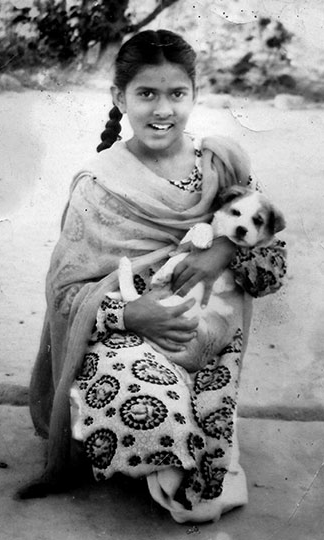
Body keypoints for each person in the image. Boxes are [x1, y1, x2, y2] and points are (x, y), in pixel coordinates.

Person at [19, 29, 287, 523]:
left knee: (207, 450)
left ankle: (186, 449)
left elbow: (271, 260)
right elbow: (65, 293)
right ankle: (154, 439)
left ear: (194, 96)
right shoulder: (100, 183)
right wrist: (131, 313)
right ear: (120, 98)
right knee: (152, 415)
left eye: (175, 94)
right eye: (146, 94)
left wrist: (221, 250)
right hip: (124, 338)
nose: (162, 109)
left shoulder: (221, 165)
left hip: (207, 339)